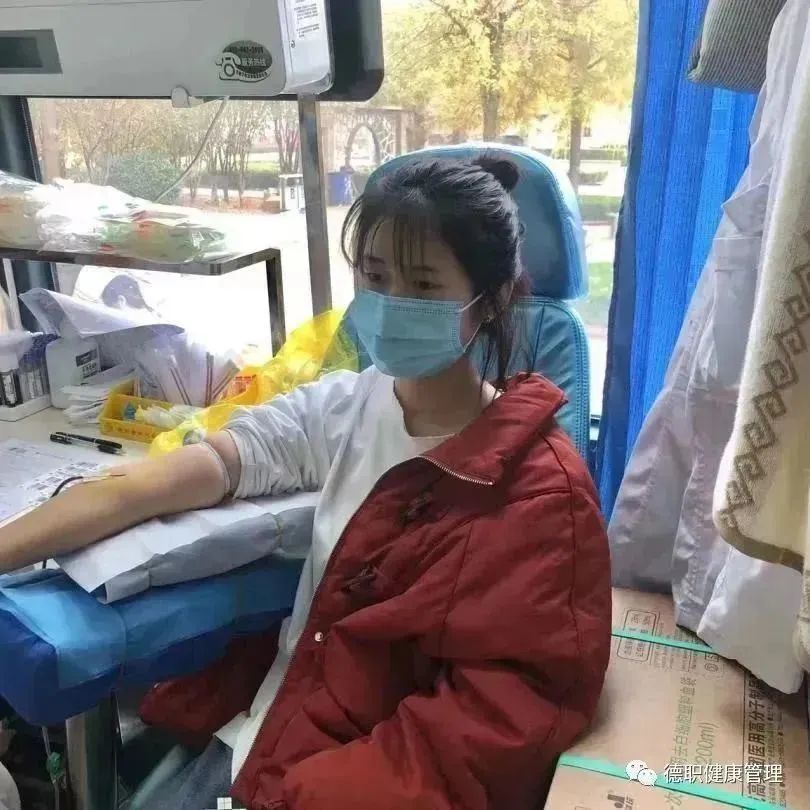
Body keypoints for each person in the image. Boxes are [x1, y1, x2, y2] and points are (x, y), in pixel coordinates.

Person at [0, 155, 611, 810]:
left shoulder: (540, 497)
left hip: (339, 776)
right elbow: (153, 484)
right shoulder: (346, 407)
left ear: (489, 300)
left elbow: (486, 727)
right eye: (374, 276)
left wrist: (303, 794)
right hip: (272, 727)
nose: (390, 304)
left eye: (423, 285)